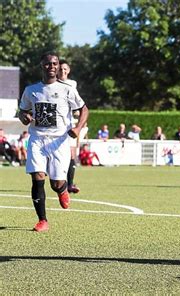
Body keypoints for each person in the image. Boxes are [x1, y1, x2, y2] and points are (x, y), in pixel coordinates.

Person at [18, 52, 89, 232]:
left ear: (58, 66)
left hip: (59, 141)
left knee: (56, 183)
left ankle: (63, 190)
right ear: (42, 65)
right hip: (37, 139)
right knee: (37, 177)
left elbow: (84, 109)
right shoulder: (31, 90)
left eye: (55, 63)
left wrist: (78, 128)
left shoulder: (67, 89)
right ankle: (43, 220)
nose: (52, 67)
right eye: (48, 64)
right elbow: (22, 112)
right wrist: (24, 117)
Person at [58, 60, 82, 194]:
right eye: (60, 69)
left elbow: (76, 102)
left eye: (65, 69)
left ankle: (70, 184)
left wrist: (76, 111)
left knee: (71, 154)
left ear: (69, 70)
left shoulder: (72, 84)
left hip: (69, 124)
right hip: (56, 125)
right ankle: (58, 181)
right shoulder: (52, 83)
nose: (63, 71)